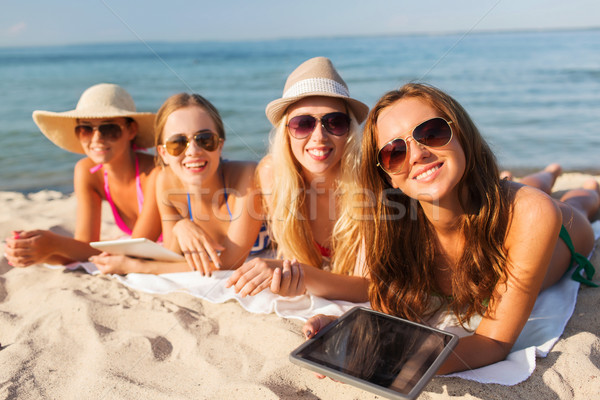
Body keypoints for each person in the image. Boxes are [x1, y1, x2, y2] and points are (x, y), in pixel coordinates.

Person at [304, 83, 600, 373]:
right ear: (388, 177)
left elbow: (493, 343)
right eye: (394, 152)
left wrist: (406, 361)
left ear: (460, 134)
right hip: (496, 197)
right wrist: (344, 328)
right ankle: (548, 173)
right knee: (522, 186)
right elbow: (386, 314)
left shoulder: (532, 213)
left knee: (579, 201)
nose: (417, 154)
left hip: (565, 233)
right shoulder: (393, 227)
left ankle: (581, 183)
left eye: (431, 133)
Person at [226, 57, 371, 302]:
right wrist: (179, 225)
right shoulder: (271, 175)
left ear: (349, 131)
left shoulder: (368, 184)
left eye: (334, 122)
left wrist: (300, 275)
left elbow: (366, 288)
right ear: (286, 132)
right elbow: (229, 258)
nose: (319, 136)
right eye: (303, 124)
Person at [91, 93, 263, 275]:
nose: (193, 151)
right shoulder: (166, 183)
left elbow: (228, 264)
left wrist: (135, 267)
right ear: (163, 153)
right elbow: (173, 258)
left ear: (220, 145)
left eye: (205, 139)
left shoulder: (246, 177)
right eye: (178, 143)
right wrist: (179, 226)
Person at [4, 83, 161, 267]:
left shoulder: (155, 174)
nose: (96, 139)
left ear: (131, 130)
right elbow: (83, 248)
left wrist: (54, 244)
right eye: (85, 129)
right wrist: (38, 252)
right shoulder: (87, 172)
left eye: (109, 129)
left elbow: (138, 251)